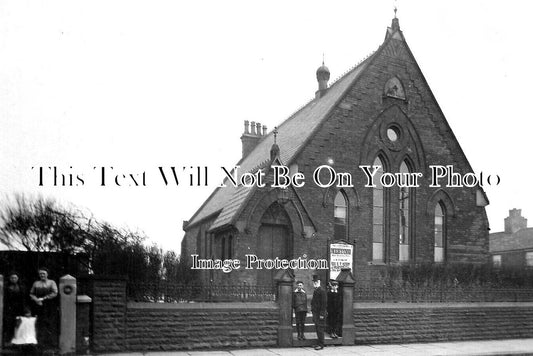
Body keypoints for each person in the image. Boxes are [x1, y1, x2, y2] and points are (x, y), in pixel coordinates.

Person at [30, 267, 58, 348]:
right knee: (40, 323)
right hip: (39, 305)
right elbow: (31, 293)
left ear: (47, 274)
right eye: (40, 274)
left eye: (44, 273)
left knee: (50, 323)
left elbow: (55, 292)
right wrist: (36, 300)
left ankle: (51, 343)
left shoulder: (51, 282)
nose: (42, 275)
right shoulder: (36, 283)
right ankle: (40, 343)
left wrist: (44, 298)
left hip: (49, 305)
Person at [4, 271, 26, 345]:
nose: (13, 279)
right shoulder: (6, 287)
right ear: (10, 279)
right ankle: (9, 341)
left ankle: (18, 340)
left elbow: (23, 299)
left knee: (19, 324)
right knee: (9, 324)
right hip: (9, 308)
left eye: (15, 278)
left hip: (19, 308)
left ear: (18, 278)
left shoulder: (21, 287)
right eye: (12, 278)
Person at [311, 274, 327, 350]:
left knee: (320, 329)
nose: (315, 283)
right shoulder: (316, 290)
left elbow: (324, 303)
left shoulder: (322, 291)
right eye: (314, 281)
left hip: (320, 314)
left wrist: (321, 314)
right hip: (316, 313)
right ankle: (318, 343)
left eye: (316, 281)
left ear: (319, 282)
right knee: (317, 329)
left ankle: (321, 345)